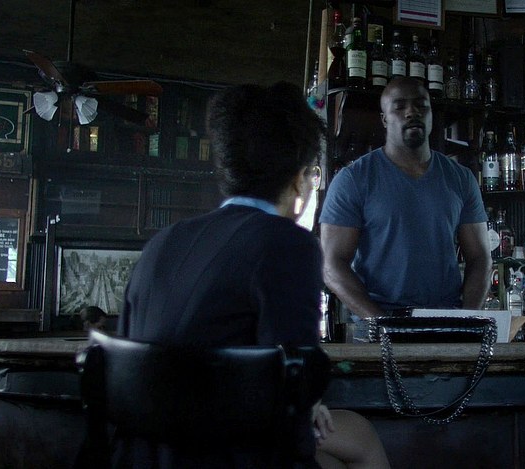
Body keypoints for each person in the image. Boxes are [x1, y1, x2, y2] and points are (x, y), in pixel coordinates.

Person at [115, 82, 389, 469]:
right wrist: (307, 403)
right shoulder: (287, 243)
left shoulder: (164, 242)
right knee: (360, 438)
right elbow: (296, 380)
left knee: (352, 436)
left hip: (144, 454)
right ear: (300, 180)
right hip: (229, 451)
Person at [319, 76, 492, 331]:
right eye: (399, 106)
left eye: (421, 105)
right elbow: (331, 265)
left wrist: (467, 320)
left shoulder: (460, 179)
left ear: (431, 114)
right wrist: (384, 324)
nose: (412, 112)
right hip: (379, 326)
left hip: (445, 323)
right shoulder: (354, 179)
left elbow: (480, 258)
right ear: (384, 119)